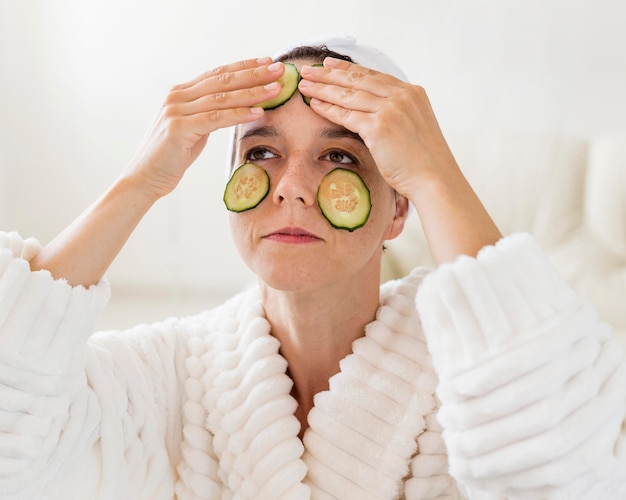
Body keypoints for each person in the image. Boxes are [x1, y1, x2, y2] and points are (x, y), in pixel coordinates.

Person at [0, 33, 625, 499]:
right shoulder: (168, 374)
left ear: (398, 209)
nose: (292, 188)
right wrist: (139, 182)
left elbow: (564, 468)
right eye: (263, 151)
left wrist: (436, 172)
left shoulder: (471, 369)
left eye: (341, 159)